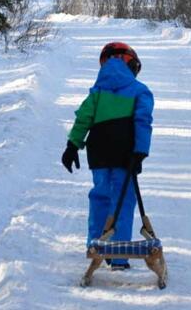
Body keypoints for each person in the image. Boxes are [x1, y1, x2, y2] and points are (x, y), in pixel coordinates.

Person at [61, 42, 154, 271]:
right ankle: (119, 256)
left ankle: (96, 249)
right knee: (122, 200)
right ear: (130, 63)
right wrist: (140, 151)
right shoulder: (140, 91)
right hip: (126, 152)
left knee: (100, 196)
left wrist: (73, 145)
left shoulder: (97, 93)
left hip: (99, 151)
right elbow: (143, 121)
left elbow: (83, 118)